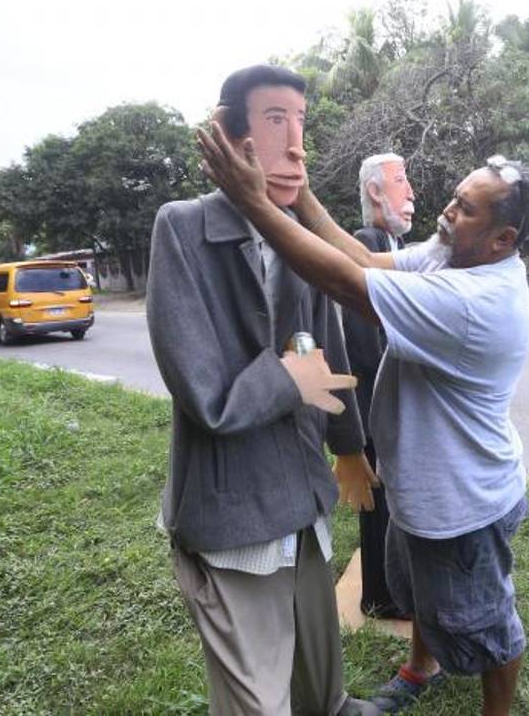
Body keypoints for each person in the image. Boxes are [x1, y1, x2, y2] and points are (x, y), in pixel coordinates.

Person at [198, 116, 529, 716]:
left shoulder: (475, 303)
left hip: (464, 504)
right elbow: (360, 254)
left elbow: (345, 281)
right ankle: (420, 669)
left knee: (488, 624)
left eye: (464, 209)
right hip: (428, 485)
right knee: (422, 591)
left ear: (502, 239)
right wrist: (298, 190)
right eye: (454, 198)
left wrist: (255, 202)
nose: (445, 212)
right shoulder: (452, 257)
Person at [146, 64, 380, 716]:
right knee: (258, 699)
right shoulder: (183, 229)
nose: (297, 143)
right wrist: (288, 373)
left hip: (302, 495)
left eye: (302, 122)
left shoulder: (294, 237)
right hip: (232, 515)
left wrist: (350, 443)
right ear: (227, 137)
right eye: (276, 121)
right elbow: (207, 393)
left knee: (320, 673)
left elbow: (322, 349)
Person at [342, 153, 414, 619]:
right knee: (377, 506)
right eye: (401, 181)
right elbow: (363, 343)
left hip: (383, 401)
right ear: (375, 191)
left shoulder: (388, 243)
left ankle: (388, 589)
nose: (411, 194)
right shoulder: (366, 243)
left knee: (386, 502)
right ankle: (380, 597)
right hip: (371, 403)